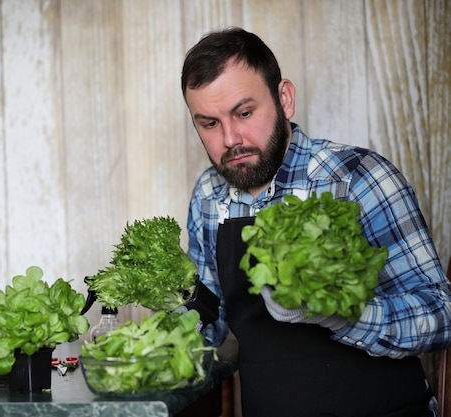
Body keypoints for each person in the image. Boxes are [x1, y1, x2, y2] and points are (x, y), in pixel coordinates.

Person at [182, 27, 451, 417]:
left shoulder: (359, 176)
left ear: (284, 99)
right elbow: (211, 319)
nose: (230, 139)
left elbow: (441, 314)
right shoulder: (209, 195)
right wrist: (173, 309)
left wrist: (345, 315)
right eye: (209, 123)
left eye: (244, 113)